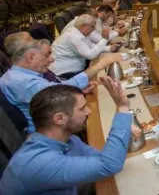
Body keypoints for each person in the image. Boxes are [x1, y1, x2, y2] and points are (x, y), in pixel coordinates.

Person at [0, 78, 137, 194]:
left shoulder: (67, 139)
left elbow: (100, 158)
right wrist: (122, 108)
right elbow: (109, 165)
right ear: (60, 118)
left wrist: (123, 127)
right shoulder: (39, 162)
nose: (89, 111)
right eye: (82, 108)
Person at [0, 39, 122, 132]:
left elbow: (54, 88)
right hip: (48, 131)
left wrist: (78, 89)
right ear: (30, 57)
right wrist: (101, 65)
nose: (51, 60)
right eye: (46, 55)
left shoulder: (16, 75)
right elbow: (59, 91)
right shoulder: (23, 81)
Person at [50, 15, 120, 79]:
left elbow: (92, 47)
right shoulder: (73, 36)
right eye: (92, 27)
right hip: (66, 74)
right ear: (83, 26)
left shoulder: (79, 33)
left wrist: (109, 48)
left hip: (76, 69)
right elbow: (90, 55)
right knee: (105, 74)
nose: (93, 29)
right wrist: (104, 39)